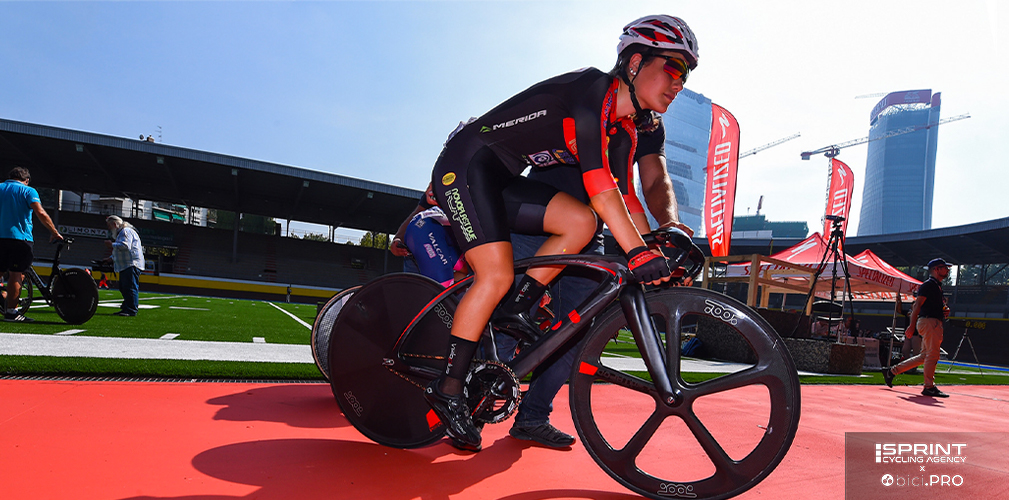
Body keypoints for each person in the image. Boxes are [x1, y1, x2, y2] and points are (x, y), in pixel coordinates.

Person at [422, 15, 698, 452]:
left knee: (582, 222)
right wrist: (640, 254)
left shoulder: (626, 128)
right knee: (494, 275)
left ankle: (519, 306)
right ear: (634, 62)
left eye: (687, 74)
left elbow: (626, 198)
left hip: (505, 179)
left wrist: (661, 242)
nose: (679, 83)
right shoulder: (592, 93)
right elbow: (601, 189)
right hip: (467, 165)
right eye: (674, 68)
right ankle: (449, 388)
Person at [0, 167, 63, 322]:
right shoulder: (28, 191)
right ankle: (11, 312)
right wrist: (54, 232)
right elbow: (40, 212)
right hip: (20, 239)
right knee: (16, 274)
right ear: (26, 180)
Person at [883, 258, 952, 397]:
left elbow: (922, 306)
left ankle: (891, 371)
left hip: (931, 321)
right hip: (930, 322)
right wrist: (911, 326)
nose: (947, 270)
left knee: (924, 356)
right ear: (936, 269)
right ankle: (928, 386)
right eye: (944, 267)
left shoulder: (936, 286)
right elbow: (917, 306)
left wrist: (944, 310)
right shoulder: (929, 285)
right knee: (932, 355)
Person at [104, 215, 144, 317]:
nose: (109, 228)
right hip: (127, 265)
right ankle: (127, 307)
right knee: (124, 287)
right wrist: (111, 258)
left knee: (129, 287)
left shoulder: (125, 231)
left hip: (131, 264)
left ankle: (131, 309)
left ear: (114, 224)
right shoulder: (123, 232)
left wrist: (111, 245)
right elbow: (121, 250)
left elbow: (125, 246)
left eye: (109, 225)